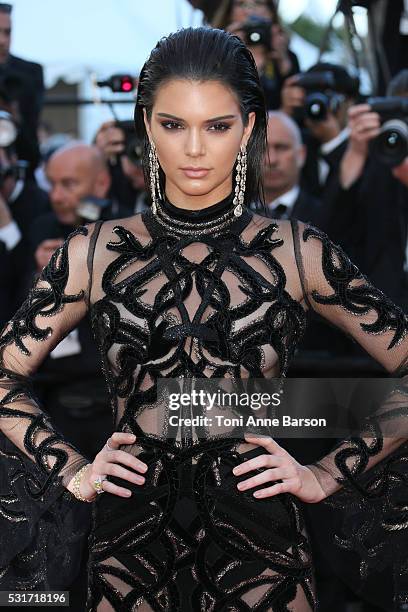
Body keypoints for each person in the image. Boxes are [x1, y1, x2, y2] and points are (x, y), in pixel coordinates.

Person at [0, 27, 407, 612]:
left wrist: (323, 474)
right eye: (174, 124)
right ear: (147, 127)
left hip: (262, 551)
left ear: (246, 128)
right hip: (127, 547)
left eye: (216, 126)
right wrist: (73, 471)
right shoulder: (94, 253)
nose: (195, 149)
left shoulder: (297, 252)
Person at [252, 110, 322, 225]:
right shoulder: (228, 214)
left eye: (281, 148)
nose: (272, 160)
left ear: (301, 154)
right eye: (261, 149)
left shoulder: (325, 217)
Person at [0, 3, 44, 173]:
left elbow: (31, 149)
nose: (3, 41)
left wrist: (14, 115)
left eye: (7, 32)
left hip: (20, 168)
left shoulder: (29, 74)